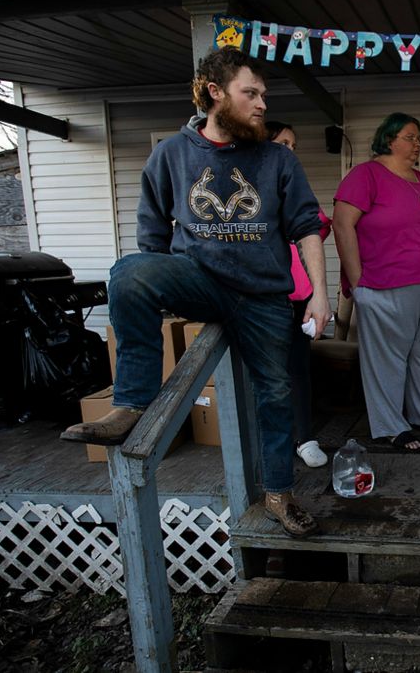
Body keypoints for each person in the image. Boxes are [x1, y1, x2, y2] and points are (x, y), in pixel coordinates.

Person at [60, 47, 330, 538]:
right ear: (214, 93)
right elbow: (151, 237)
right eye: (251, 93)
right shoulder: (171, 155)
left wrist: (320, 294)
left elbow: (307, 226)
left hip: (265, 294)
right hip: (200, 281)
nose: (262, 104)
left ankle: (278, 495)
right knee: (129, 272)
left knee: (274, 393)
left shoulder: (275, 160)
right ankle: (131, 404)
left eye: (263, 95)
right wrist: (162, 286)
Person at [332, 112, 420, 452]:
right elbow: (342, 225)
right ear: (389, 139)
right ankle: (391, 426)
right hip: (385, 285)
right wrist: (358, 282)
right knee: (387, 360)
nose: (418, 143)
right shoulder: (366, 175)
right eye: (410, 136)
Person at [266, 120, 331, 469]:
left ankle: (305, 438)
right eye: (283, 144)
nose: (290, 151)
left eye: (294, 145)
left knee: (299, 369)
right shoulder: (256, 186)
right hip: (262, 296)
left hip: (298, 294)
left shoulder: (295, 187)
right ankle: (273, 442)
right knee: (268, 375)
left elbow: (317, 223)